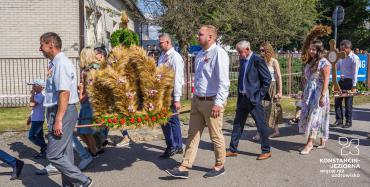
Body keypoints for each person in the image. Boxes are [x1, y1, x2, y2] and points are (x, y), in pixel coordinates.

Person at [165, 25, 230, 179]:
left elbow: (224, 81)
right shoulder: (200, 54)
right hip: (198, 100)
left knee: (215, 135)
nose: (197, 36)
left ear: (210, 37)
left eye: (200, 34)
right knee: (192, 134)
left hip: (212, 101)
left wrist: (219, 102)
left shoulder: (219, 53)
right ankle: (185, 166)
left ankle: (220, 165)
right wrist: (195, 97)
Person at [40, 32, 92, 186]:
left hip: (62, 110)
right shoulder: (55, 63)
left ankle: (82, 180)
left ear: (51, 45)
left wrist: (58, 119)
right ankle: (70, 185)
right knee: (66, 153)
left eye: (42, 44)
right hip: (59, 109)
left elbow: (64, 93)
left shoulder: (61, 63)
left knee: (54, 155)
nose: (39, 48)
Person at [226, 40, 272, 160]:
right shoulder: (242, 60)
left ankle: (266, 150)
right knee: (237, 124)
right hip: (242, 98)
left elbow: (267, 79)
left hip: (253, 99)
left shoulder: (257, 59)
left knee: (261, 124)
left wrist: (259, 95)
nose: (239, 54)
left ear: (247, 49)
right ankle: (233, 149)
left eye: (240, 52)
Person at [94, 46, 131, 147]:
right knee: (108, 117)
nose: (94, 55)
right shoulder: (101, 65)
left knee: (116, 116)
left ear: (101, 55)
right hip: (107, 96)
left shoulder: (107, 65)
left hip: (112, 96)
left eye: (95, 53)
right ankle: (103, 139)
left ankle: (126, 137)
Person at [298, 40, 331, 154]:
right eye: (310, 49)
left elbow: (326, 80)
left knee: (314, 118)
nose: (311, 51)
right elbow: (307, 79)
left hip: (318, 94)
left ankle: (310, 144)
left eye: (314, 49)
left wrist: (322, 96)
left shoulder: (324, 62)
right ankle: (321, 140)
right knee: (309, 117)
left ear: (318, 50)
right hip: (309, 93)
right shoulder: (310, 61)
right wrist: (303, 92)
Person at [157, 33, 184, 158]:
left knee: (171, 119)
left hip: (171, 92)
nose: (159, 44)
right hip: (162, 92)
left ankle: (175, 146)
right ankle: (174, 145)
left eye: (161, 42)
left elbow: (178, 78)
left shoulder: (175, 57)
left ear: (168, 42)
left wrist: (177, 99)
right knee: (165, 120)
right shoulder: (162, 56)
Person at [252, 42, 283, 141]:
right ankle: (260, 132)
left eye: (263, 50)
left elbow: (278, 76)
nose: (261, 52)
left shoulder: (274, 61)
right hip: (262, 87)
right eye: (260, 50)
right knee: (261, 110)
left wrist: (280, 91)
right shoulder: (260, 61)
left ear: (268, 50)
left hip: (272, 87)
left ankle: (276, 131)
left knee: (274, 108)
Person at [78, 47, 101, 157]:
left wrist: (82, 96)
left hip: (89, 103)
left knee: (85, 131)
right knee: (83, 131)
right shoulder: (94, 68)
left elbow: (92, 88)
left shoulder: (90, 70)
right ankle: (94, 149)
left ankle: (93, 152)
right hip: (91, 102)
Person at [333, 40, 360, 128]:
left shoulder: (354, 58)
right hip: (341, 81)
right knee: (337, 101)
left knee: (348, 103)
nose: (341, 50)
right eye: (341, 49)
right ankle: (339, 120)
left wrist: (354, 86)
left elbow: (355, 73)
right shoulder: (341, 57)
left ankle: (348, 122)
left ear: (348, 48)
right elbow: (338, 67)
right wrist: (333, 63)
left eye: (343, 49)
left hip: (349, 82)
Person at [26, 79, 47, 159]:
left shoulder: (41, 95)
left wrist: (32, 94)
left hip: (38, 120)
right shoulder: (37, 95)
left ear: (41, 87)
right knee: (40, 136)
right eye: (33, 85)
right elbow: (34, 109)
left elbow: (32, 104)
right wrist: (30, 117)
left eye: (35, 85)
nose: (33, 87)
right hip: (36, 118)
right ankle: (44, 152)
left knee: (31, 136)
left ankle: (45, 147)